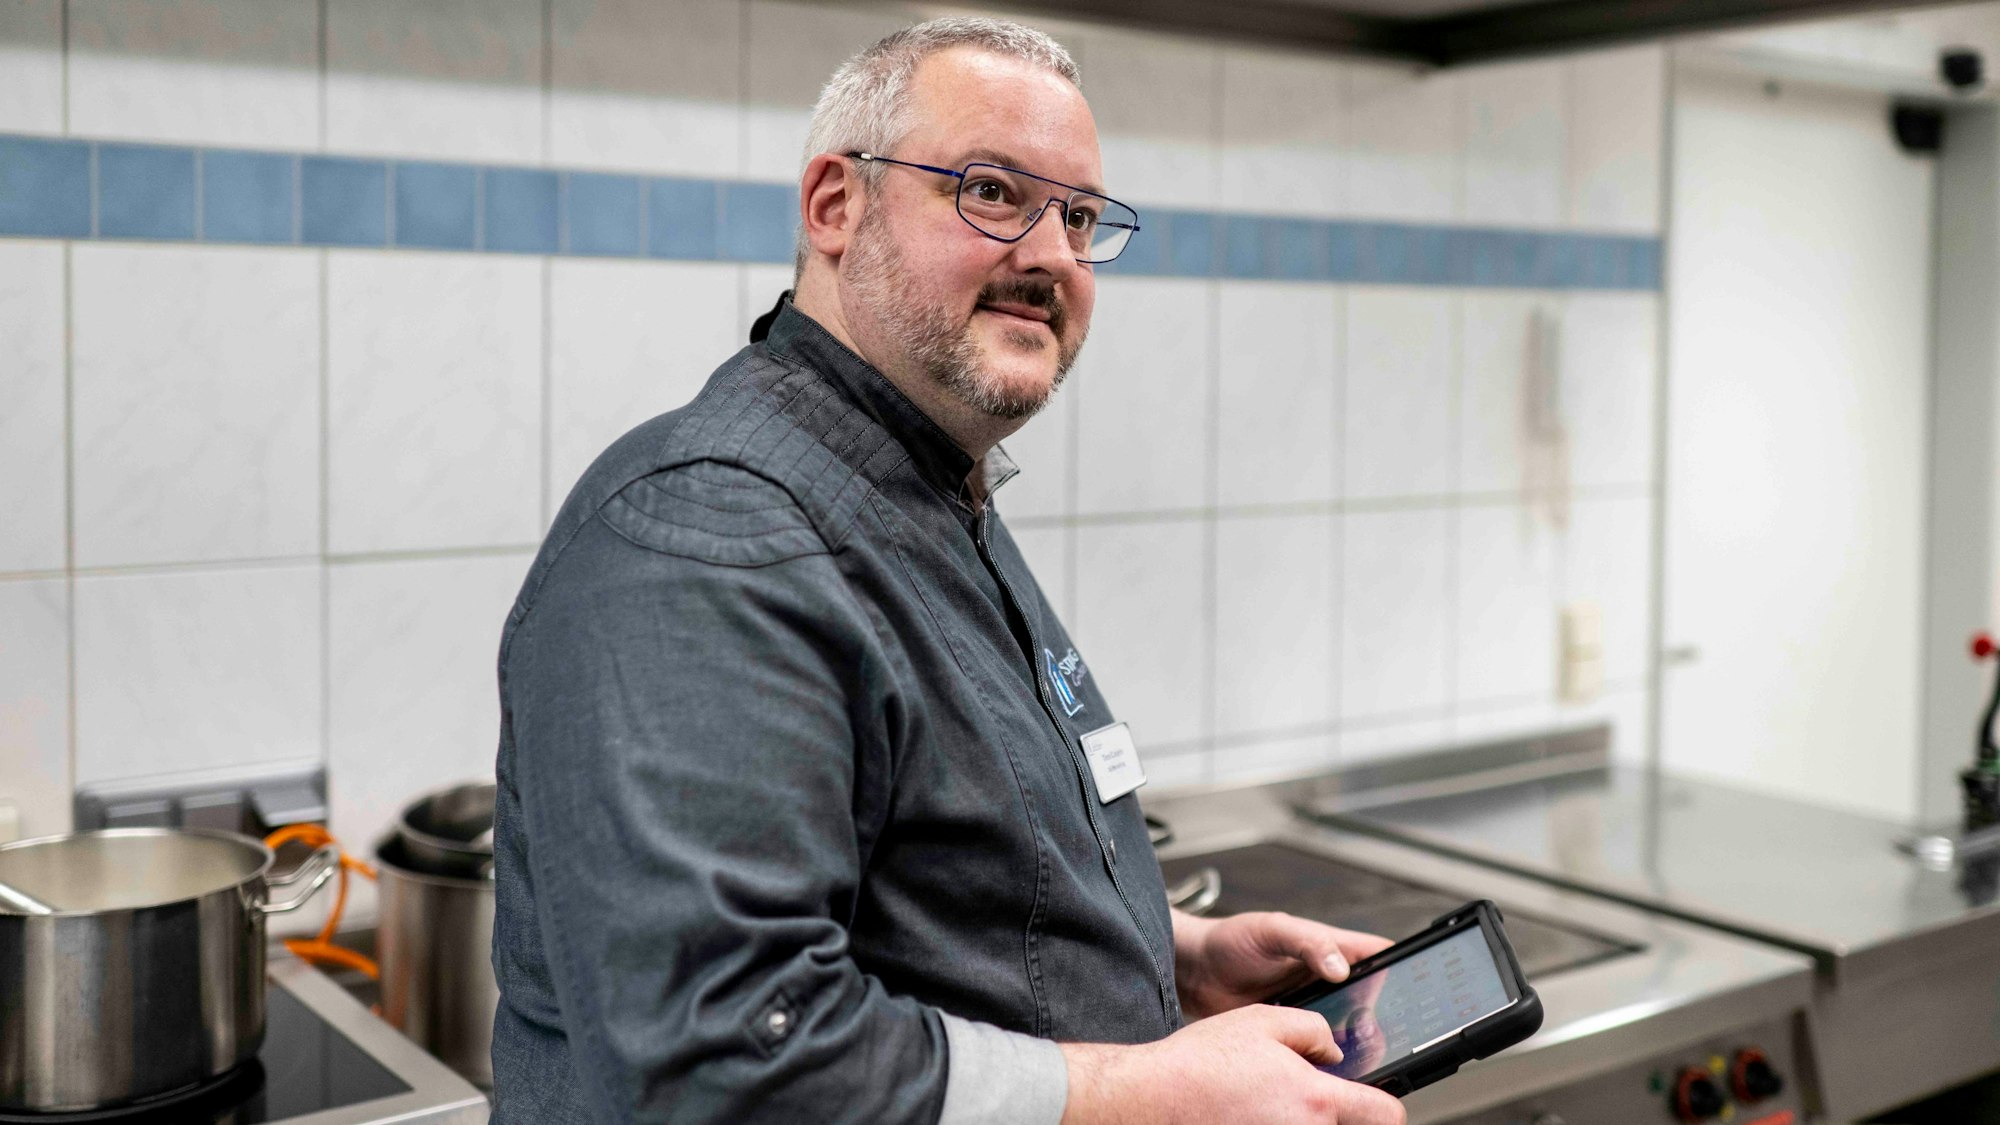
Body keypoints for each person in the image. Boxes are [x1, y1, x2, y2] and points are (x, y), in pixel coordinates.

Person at [488, 16, 1407, 1125]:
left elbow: (938, 877)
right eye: (991, 192)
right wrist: (1146, 1091)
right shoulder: (712, 536)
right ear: (836, 206)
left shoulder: (924, 489)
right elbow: (724, 1059)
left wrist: (1172, 956)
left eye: (1078, 216)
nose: (1052, 256)